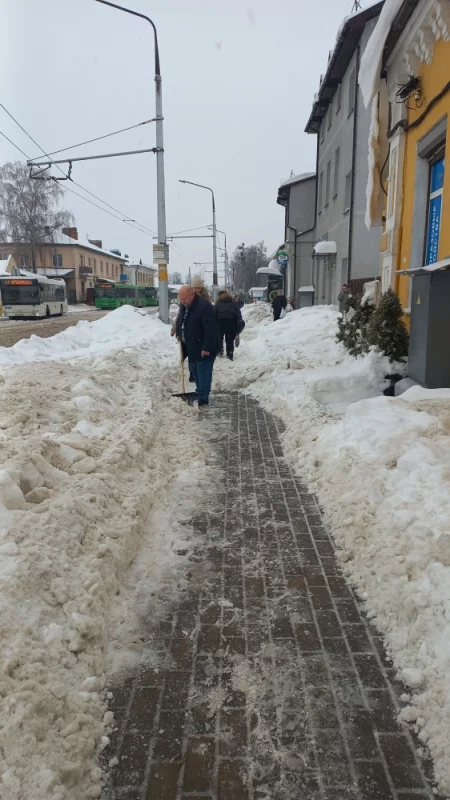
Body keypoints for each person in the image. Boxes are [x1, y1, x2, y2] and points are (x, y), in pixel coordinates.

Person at [176, 285, 220, 406]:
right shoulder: (185, 306)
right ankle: (200, 392)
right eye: (181, 299)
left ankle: (203, 398)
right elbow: (181, 320)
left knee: (203, 372)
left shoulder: (204, 307)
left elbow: (210, 330)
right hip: (192, 346)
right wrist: (179, 332)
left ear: (192, 294)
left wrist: (206, 348)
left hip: (204, 347)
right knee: (195, 371)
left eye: (185, 298)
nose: (183, 301)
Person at [171, 278, 211, 380]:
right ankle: (192, 373)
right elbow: (181, 316)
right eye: (194, 287)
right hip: (188, 332)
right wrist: (175, 328)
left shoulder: (205, 299)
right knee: (190, 353)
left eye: (198, 287)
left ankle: (198, 375)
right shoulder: (186, 299)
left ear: (201, 288)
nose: (196, 289)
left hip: (199, 332)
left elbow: (209, 319)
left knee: (199, 357)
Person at [215, 289, 244, 361]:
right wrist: (239, 326)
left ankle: (219, 352)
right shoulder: (234, 304)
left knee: (219, 339)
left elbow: (214, 316)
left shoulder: (217, 305)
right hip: (232, 325)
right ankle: (230, 354)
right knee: (230, 340)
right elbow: (238, 315)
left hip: (220, 325)